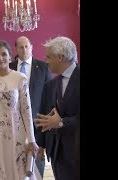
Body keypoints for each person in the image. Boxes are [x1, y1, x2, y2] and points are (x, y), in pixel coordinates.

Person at [0, 40, 40, 180]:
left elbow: (26, 111)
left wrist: (31, 139)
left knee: (17, 173)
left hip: (16, 133)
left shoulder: (20, 78)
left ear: (10, 56)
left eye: (4, 54)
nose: (0, 58)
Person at [35, 36, 80, 180]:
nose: (46, 61)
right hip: (56, 153)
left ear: (60, 57)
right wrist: (40, 144)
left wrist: (61, 122)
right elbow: (44, 115)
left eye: (49, 57)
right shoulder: (51, 84)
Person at [9, 36, 53, 177]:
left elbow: (50, 97)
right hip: (13, 124)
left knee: (35, 168)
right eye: (21, 47)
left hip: (37, 124)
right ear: (16, 49)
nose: (24, 50)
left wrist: (46, 123)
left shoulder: (44, 67)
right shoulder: (9, 68)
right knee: (14, 166)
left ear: (32, 47)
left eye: (27, 46)